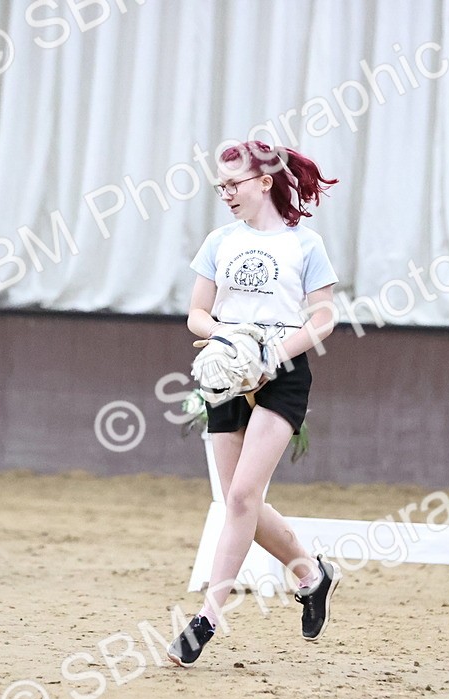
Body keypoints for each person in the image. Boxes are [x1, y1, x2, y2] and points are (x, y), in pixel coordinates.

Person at [167, 140, 341, 667]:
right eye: (220, 187)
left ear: (264, 182)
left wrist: (272, 354)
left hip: (282, 375)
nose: (226, 194)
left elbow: (325, 317)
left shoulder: (306, 246)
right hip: (226, 372)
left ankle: (206, 619)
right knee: (237, 500)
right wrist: (228, 338)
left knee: (244, 493)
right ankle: (311, 575)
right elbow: (197, 312)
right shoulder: (219, 241)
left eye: (233, 185)